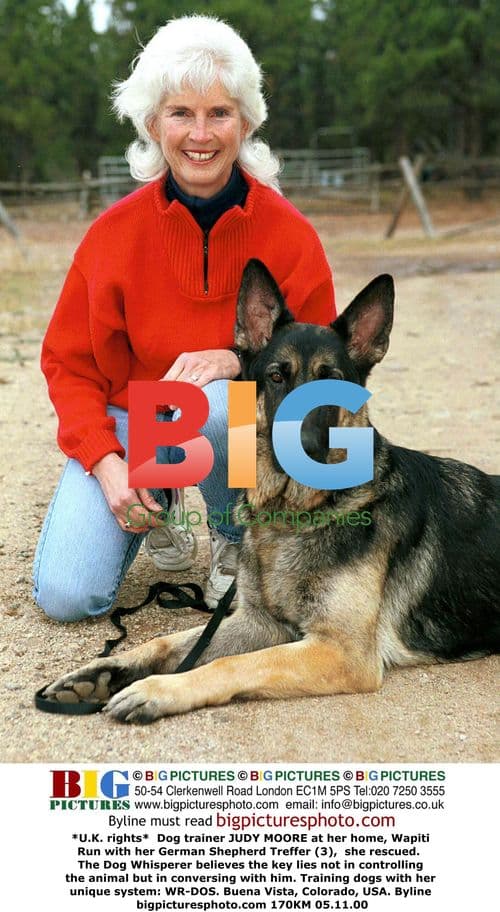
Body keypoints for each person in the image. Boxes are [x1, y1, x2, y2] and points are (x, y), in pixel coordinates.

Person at [33, 14, 336, 622]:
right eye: (181, 113)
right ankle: (154, 509)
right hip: (133, 424)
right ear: (153, 123)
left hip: (237, 430)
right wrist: (107, 463)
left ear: (245, 122)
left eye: (219, 113)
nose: (201, 134)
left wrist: (237, 358)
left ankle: (234, 533)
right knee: (69, 597)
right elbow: (68, 364)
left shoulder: (291, 237)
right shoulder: (111, 236)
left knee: (224, 401)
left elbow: (325, 381)